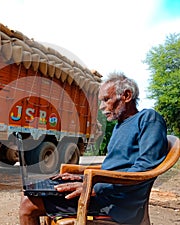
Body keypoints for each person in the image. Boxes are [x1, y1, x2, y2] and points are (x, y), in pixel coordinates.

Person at [19, 73, 168, 225]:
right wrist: (82, 176)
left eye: (106, 100)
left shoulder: (148, 118)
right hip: (104, 192)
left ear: (127, 96)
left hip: (116, 203)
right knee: (32, 192)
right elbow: (115, 168)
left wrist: (93, 187)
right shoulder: (120, 125)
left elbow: (145, 168)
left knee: (28, 205)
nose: (102, 107)